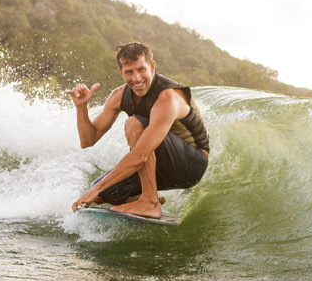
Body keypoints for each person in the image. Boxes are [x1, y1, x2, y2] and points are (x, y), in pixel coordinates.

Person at [69, 42, 211, 219]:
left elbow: (141, 155)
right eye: (129, 72)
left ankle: (150, 202)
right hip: (160, 162)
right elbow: (88, 140)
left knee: (134, 124)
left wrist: (95, 189)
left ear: (152, 66)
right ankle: (142, 196)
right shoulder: (118, 96)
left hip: (191, 164)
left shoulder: (168, 97)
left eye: (141, 69)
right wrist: (81, 107)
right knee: (102, 194)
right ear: (121, 73)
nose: (136, 78)